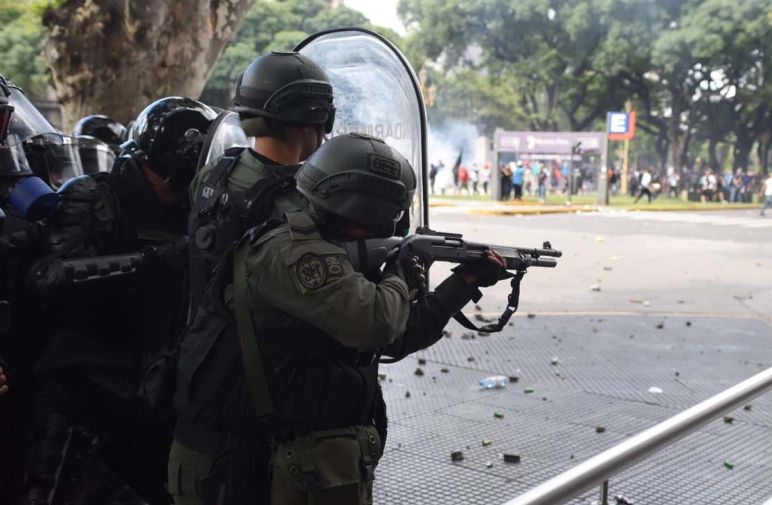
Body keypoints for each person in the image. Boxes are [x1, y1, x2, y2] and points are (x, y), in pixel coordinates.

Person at [174, 133, 509, 504]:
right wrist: (403, 272)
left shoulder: (331, 252)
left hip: (285, 462)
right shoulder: (291, 249)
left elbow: (395, 334)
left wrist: (464, 283)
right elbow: (376, 322)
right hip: (240, 464)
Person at [19, 96, 218, 505]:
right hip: (82, 377)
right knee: (49, 489)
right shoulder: (95, 195)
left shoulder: (196, 211)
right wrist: (151, 261)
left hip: (153, 383)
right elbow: (49, 275)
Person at [170, 50, 338, 505]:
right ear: (313, 117)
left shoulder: (213, 175)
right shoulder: (305, 206)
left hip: (203, 378)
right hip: (268, 400)